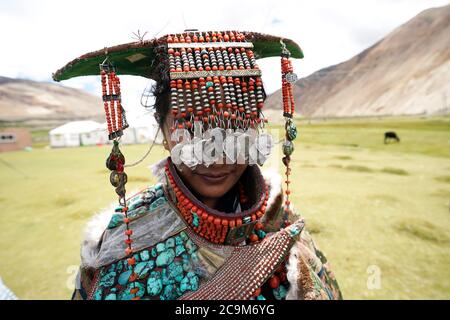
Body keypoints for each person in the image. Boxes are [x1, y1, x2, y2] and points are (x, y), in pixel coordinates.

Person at [53, 30, 342, 300]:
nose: (216, 158)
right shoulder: (121, 236)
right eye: (192, 131)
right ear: (163, 132)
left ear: (256, 128)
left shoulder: (282, 220)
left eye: (235, 130)